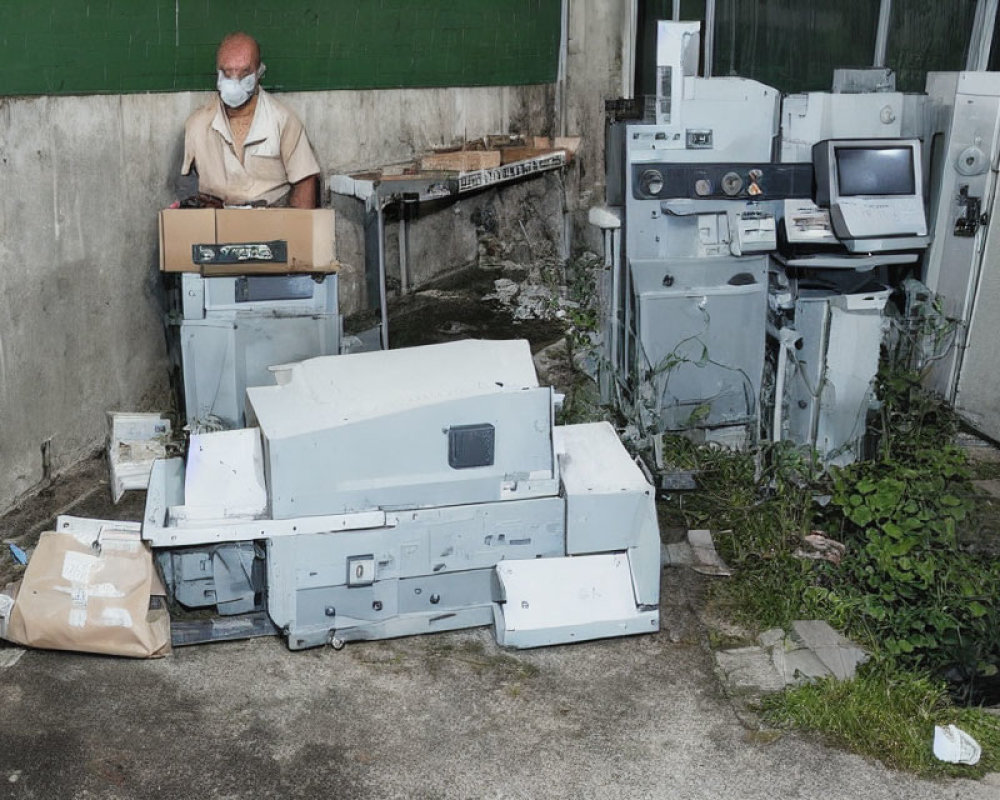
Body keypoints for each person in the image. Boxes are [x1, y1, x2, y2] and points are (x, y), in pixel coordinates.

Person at [181, 32, 320, 208]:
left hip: (272, 221)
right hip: (217, 222)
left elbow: (305, 180)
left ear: (259, 73)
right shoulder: (197, 124)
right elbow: (186, 186)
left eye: (243, 73)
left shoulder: (283, 120)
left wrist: (297, 230)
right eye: (227, 73)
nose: (234, 82)